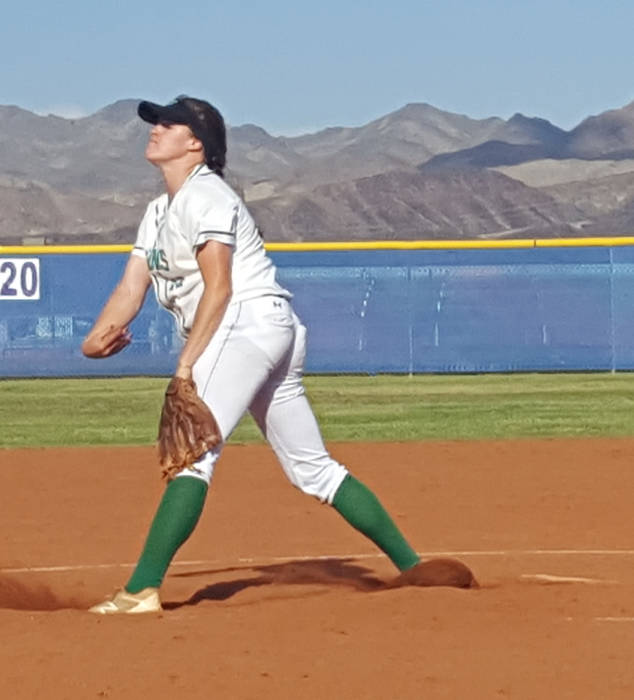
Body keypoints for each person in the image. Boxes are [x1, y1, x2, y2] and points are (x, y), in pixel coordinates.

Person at [82, 96, 471, 615]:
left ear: (195, 143)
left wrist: (185, 366)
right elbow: (131, 287)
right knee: (313, 469)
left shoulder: (208, 196)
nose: (156, 129)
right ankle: (414, 568)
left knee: (193, 455)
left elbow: (219, 288)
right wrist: (96, 338)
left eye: (169, 123)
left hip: (244, 323)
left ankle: (142, 590)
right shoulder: (158, 213)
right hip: (267, 331)